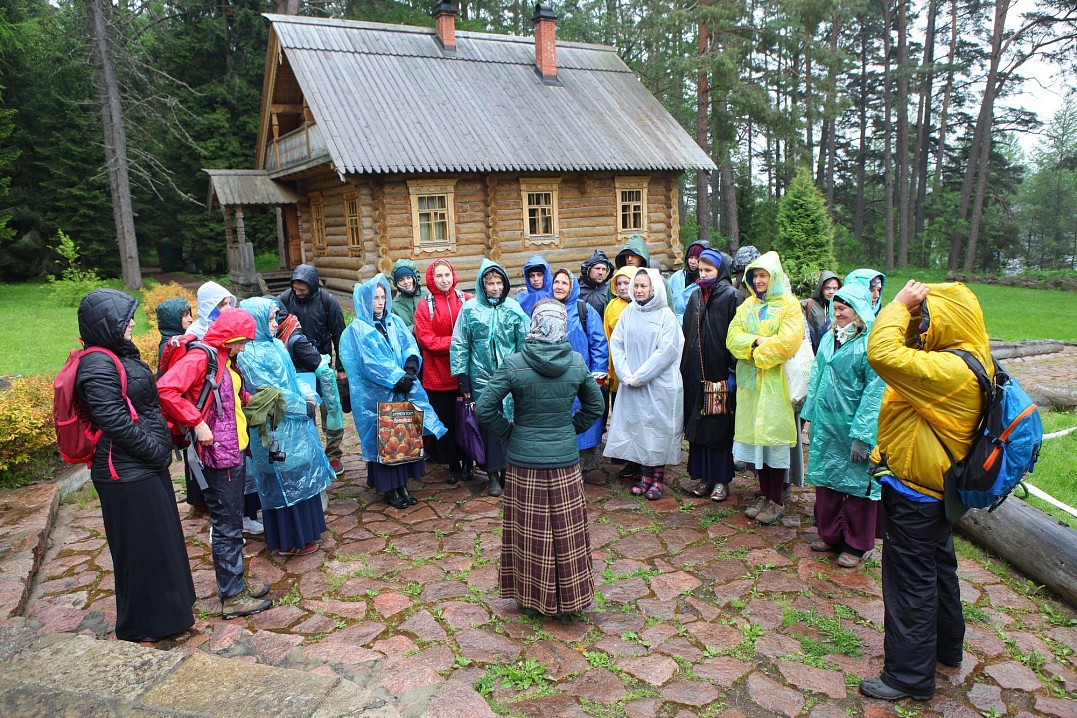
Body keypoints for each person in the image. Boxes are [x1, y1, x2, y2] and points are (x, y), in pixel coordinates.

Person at [858, 280, 990, 702]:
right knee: (938, 571)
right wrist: (915, 317)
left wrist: (896, 306)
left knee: (909, 583)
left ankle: (908, 676)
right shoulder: (969, 356)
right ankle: (946, 649)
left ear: (948, 319)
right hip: (937, 490)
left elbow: (881, 353)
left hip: (918, 495)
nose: (923, 323)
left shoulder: (951, 372)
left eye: (928, 316)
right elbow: (912, 347)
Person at [74, 289, 196, 641]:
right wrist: (155, 451)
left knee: (161, 544)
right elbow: (113, 421)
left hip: (142, 466)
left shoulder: (115, 354)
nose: (130, 324)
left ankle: (171, 617)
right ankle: (146, 625)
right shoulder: (97, 364)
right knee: (143, 551)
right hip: (125, 472)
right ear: (105, 324)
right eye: (123, 319)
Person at [476, 300, 604, 617]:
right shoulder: (575, 362)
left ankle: (531, 599)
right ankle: (570, 599)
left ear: (534, 324)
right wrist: (568, 430)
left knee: (528, 531)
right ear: (563, 326)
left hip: (524, 462)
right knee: (567, 532)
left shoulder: (514, 362)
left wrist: (510, 432)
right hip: (564, 461)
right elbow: (596, 407)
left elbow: (484, 409)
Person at [158, 307, 272, 619]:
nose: (244, 347)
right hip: (217, 456)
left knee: (232, 523)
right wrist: (196, 423)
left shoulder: (224, 359)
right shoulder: (202, 357)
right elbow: (166, 390)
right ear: (230, 337)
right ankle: (232, 597)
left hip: (232, 451)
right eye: (242, 341)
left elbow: (224, 397)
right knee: (227, 525)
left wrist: (253, 400)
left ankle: (235, 585)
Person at [237, 297, 335, 556]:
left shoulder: (276, 346)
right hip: (274, 430)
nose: (275, 323)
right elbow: (270, 392)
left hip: (296, 425)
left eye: (275, 317)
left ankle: (307, 532)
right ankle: (288, 539)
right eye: (269, 319)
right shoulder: (249, 355)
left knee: (300, 473)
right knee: (280, 476)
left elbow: (293, 378)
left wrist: (309, 395)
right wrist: (301, 406)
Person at [339, 275, 446, 509]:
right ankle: (390, 489)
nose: (380, 302)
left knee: (402, 436)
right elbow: (370, 363)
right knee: (383, 439)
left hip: (401, 389)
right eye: (375, 298)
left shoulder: (394, 322)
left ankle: (403, 485)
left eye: (383, 297)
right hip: (376, 395)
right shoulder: (358, 329)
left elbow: (409, 344)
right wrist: (397, 379)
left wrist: (409, 368)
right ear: (364, 301)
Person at [801, 284, 883, 568]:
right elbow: (817, 377)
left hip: (854, 425)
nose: (838, 313)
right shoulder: (829, 338)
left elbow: (875, 393)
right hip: (827, 423)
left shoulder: (870, 345)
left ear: (859, 311)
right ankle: (831, 534)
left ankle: (857, 545)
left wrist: (863, 435)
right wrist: (810, 416)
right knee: (827, 481)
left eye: (844, 308)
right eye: (835, 308)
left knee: (858, 485)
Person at [726, 251, 805, 525]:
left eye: (763, 275)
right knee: (757, 441)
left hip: (776, 385)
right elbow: (732, 338)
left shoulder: (789, 305)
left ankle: (776, 499)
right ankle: (762, 492)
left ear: (774, 277)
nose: (758, 281)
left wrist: (755, 350)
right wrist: (756, 342)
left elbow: (788, 342)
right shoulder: (746, 305)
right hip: (751, 386)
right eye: (755, 276)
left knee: (774, 441)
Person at [450, 259, 529, 496]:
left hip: (511, 375)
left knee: (511, 422)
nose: (495, 287)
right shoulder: (470, 309)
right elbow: (460, 344)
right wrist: (462, 377)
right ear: (482, 285)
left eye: (498, 283)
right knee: (488, 425)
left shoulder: (513, 308)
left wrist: (525, 372)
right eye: (490, 283)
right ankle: (493, 474)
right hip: (481, 377)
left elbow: (525, 342)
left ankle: (510, 472)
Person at [604, 268, 684, 500]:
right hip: (631, 382)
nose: (639, 290)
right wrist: (625, 372)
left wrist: (641, 375)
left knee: (656, 429)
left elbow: (666, 352)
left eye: (643, 286)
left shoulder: (665, 316)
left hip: (658, 384)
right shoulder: (629, 312)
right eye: (636, 286)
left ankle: (657, 478)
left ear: (653, 288)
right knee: (639, 427)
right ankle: (645, 477)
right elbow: (617, 343)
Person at [681, 250, 744, 501]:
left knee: (718, 427)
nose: (703, 274)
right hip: (695, 371)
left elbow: (736, 337)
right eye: (701, 270)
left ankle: (720, 480)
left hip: (719, 374)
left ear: (721, 271)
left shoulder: (732, 297)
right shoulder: (695, 296)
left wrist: (731, 372)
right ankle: (703, 476)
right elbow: (687, 332)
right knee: (698, 425)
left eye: (709, 270)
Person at [278, 264, 346, 475]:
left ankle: (333, 454)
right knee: (304, 411)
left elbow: (339, 334)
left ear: (312, 285)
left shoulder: (328, 301)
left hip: (322, 365)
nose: (297, 293)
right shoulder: (285, 299)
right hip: (296, 367)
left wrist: (341, 367)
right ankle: (310, 453)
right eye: (295, 288)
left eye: (302, 289)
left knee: (331, 409)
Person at [413, 259, 472, 485]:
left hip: (463, 375)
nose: (444, 280)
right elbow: (427, 341)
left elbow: (474, 334)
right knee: (446, 423)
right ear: (432, 278)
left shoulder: (465, 301)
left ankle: (468, 461)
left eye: (447, 275)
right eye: (439, 276)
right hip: (437, 376)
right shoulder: (424, 306)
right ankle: (453, 465)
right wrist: (458, 342)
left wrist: (452, 343)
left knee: (466, 421)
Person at [551, 268, 608, 472]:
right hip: (554, 378)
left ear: (572, 286)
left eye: (564, 283)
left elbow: (598, 343)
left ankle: (583, 464)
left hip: (581, 378)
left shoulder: (585, 310)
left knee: (583, 419)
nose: (559, 286)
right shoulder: (546, 309)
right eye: (556, 282)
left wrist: (598, 374)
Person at [602, 266, 639, 478]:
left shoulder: (644, 306)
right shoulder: (612, 307)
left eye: (628, 283)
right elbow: (608, 340)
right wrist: (609, 373)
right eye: (620, 283)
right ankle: (629, 459)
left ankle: (644, 459)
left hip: (640, 372)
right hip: (618, 373)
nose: (624, 287)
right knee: (622, 417)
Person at [612, 233, 674, 307]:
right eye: (626, 256)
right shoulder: (617, 280)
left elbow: (669, 308)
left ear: (642, 256)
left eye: (633, 255)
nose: (629, 259)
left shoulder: (658, 280)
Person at [670, 239, 710, 324]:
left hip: (693, 325)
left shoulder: (705, 282)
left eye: (696, 258)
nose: (692, 262)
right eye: (690, 257)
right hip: (672, 323)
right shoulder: (676, 276)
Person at [801, 271, 841, 353]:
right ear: (821, 288)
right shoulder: (809, 304)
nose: (831, 292)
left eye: (835, 288)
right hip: (812, 351)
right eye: (828, 288)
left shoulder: (842, 307)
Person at [155, 297, 192, 374]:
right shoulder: (170, 346)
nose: (190, 319)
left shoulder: (179, 340)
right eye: (185, 315)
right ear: (173, 320)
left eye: (190, 315)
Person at [390, 258, 427, 332]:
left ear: (414, 278)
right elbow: (396, 329)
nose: (406, 282)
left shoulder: (427, 296)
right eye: (401, 280)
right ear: (397, 283)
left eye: (408, 277)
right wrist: (413, 329)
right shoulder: (394, 305)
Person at [578, 249, 614, 318]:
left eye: (604, 269)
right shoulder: (577, 288)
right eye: (597, 268)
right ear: (588, 270)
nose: (601, 272)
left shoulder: (610, 290)